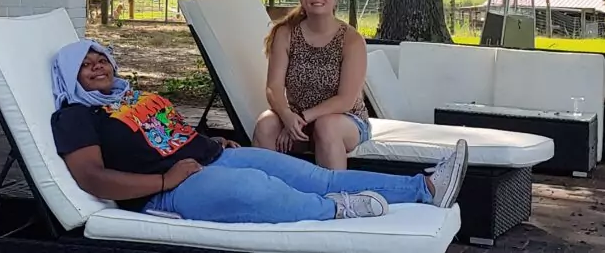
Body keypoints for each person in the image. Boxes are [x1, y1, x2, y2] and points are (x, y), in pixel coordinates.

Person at [49, 39, 469, 224]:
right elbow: (91, 177)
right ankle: (334, 211)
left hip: (212, 156)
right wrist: (165, 181)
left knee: (317, 176)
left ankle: (425, 188)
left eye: (100, 59)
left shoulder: (130, 96)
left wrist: (207, 141)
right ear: (71, 77)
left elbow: (165, 133)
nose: (98, 67)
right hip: (167, 191)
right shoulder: (76, 116)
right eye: (85, 66)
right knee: (256, 188)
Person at [253, 0, 370, 169]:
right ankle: (267, 184)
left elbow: (346, 100)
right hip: (296, 117)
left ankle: (333, 187)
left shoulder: (352, 40)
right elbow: (273, 87)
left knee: (326, 126)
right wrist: (286, 116)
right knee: (265, 124)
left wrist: (302, 118)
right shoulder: (286, 34)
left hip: (345, 120)